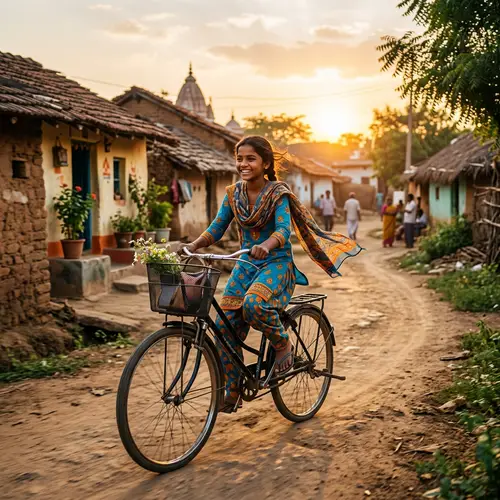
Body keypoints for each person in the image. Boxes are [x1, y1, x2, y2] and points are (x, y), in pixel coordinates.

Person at [180, 136, 362, 412]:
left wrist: (266, 245)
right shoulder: (232, 194)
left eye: (250, 158)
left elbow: (282, 230)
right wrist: (192, 246)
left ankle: (282, 344)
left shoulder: (279, 193)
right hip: (245, 264)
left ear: (265, 163)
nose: (243, 164)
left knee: (254, 305)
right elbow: (217, 227)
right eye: (240, 158)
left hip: (276, 263)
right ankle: (233, 386)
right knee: (223, 326)